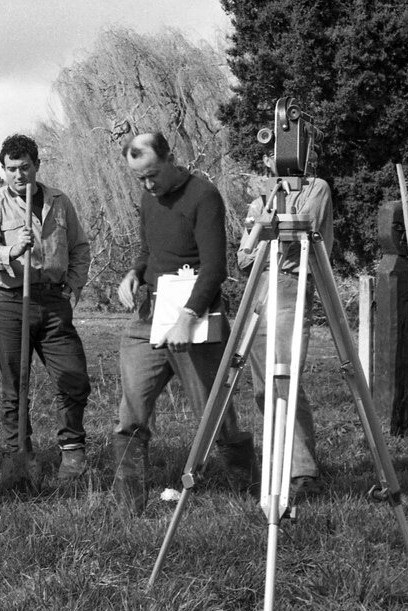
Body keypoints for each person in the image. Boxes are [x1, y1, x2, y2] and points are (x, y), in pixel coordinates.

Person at [113, 132, 257, 515]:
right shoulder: (148, 198)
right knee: (131, 411)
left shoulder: (203, 196)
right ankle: (129, 505)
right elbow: (149, 251)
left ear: (171, 158)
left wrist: (186, 319)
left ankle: (246, 493)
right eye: (139, 178)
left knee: (213, 412)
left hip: (195, 317)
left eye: (153, 175)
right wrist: (134, 272)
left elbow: (215, 269)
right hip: (148, 317)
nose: (148, 185)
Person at [0, 134, 92, 488]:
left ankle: (72, 452)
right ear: (3, 170)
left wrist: (72, 288)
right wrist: (12, 250)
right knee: (16, 386)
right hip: (12, 302)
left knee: (73, 377)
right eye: (11, 169)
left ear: (37, 166)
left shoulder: (59, 201)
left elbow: (80, 248)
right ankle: (20, 460)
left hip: (53, 300)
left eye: (25, 167)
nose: (18, 175)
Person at [238, 152, 334, 498]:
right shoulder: (257, 202)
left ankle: (303, 472)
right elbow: (244, 257)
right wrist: (265, 225)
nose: (272, 158)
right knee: (263, 386)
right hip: (259, 289)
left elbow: (301, 231)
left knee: (285, 379)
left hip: (291, 285)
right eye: (266, 153)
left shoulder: (316, 188)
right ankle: (278, 463)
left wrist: (268, 225)